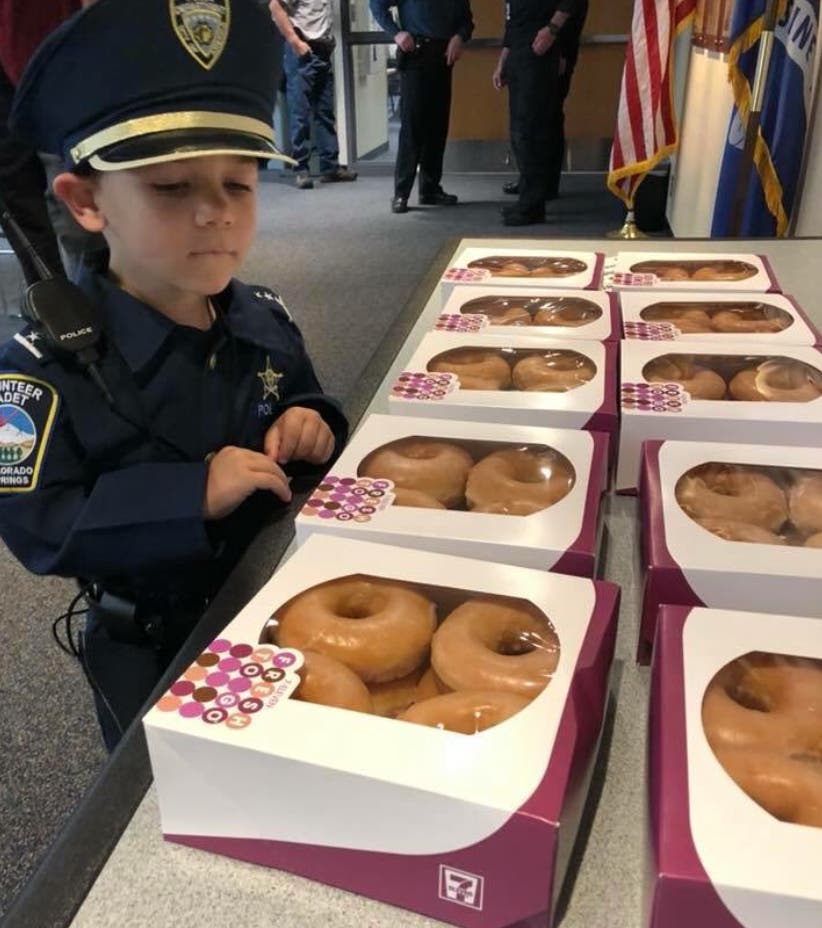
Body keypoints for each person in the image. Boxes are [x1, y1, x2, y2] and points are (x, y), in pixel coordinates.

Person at [0, 0, 348, 751]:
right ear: (87, 202)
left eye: (239, 183)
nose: (215, 214)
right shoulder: (42, 369)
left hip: (278, 601)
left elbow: (299, 395)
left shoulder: (262, 316)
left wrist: (313, 419)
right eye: (170, 188)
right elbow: (39, 527)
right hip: (151, 644)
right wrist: (190, 493)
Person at [369, 0, 474, 214]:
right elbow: (376, 5)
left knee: (438, 126)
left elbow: (467, 22)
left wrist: (460, 37)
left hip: (444, 57)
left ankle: (430, 188)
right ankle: (401, 193)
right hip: (416, 54)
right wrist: (397, 34)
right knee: (413, 126)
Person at [492, 0, 585, 226]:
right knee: (519, 133)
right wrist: (502, 62)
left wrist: (553, 33)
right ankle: (529, 195)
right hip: (519, 54)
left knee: (532, 132)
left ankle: (532, 206)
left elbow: (573, 4)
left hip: (539, 54)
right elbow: (511, 24)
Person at [268, 0, 357, 189]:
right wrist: (294, 42)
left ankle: (330, 167)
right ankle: (301, 169)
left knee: (325, 112)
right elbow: (275, 7)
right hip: (302, 51)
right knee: (300, 113)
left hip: (323, 50)